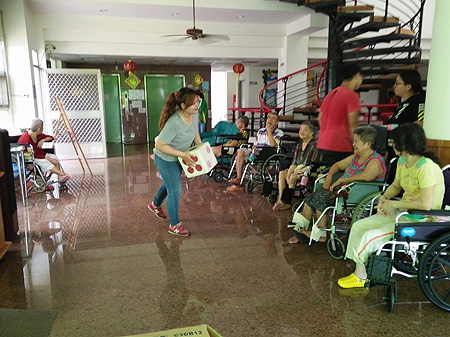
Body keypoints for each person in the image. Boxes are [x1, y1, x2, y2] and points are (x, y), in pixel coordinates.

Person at [337, 123, 444, 289]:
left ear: (404, 144)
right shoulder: (402, 161)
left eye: (394, 142)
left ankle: (360, 276)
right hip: (403, 213)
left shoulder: (426, 167)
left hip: (421, 219)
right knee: (358, 226)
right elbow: (396, 185)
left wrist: (393, 203)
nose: (392, 145)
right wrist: (384, 198)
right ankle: (359, 267)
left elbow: (426, 204)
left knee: (370, 235)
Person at [290, 126, 386, 244]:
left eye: (356, 141)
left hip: (354, 192)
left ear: (368, 144)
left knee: (320, 199)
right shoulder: (356, 157)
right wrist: (329, 177)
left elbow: (367, 177)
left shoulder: (375, 160)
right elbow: (337, 166)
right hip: (341, 189)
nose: (353, 144)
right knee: (310, 198)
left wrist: (341, 181)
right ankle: (301, 231)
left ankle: (321, 234)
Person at [147, 88, 201, 237]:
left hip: (178, 157)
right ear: (183, 105)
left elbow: (195, 132)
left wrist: (200, 148)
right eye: (194, 103)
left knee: (170, 183)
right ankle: (174, 225)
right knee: (175, 189)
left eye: (198, 102)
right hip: (165, 158)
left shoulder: (193, 116)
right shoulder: (175, 122)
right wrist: (182, 154)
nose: (197, 106)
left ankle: (155, 205)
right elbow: (159, 145)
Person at [318, 63, 363, 167]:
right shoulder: (351, 96)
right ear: (357, 76)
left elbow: (320, 118)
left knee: (330, 174)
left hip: (323, 143)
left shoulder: (331, 94)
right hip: (341, 145)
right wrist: (358, 144)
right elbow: (353, 124)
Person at [227, 112, 284, 192]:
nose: (270, 120)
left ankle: (239, 183)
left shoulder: (279, 132)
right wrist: (253, 148)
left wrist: (269, 131)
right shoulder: (261, 131)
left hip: (267, 154)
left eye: (273, 118)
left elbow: (273, 144)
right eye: (269, 118)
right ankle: (238, 178)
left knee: (244, 155)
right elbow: (255, 144)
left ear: (277, 122)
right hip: (255, 152)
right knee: (240, 152)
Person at [273, 121, 320, 211]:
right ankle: (280, 200)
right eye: (300, 130)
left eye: (305, 130)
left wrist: (298, 172)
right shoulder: (299, 145)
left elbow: (314, 164)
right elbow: (294, 162)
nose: (301, 132)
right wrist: (288, 174)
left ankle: (287, 202)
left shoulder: (315, 145)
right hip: (297, 169)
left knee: (292, 177)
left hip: (310, 171)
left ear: (312, 133)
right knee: (282, 173)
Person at [386, 69, 426, 158]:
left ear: (408, 86)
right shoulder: (402, 104)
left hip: (405, 152)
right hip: (393, 149)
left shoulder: (418, 101)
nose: (394, 86)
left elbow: (418, 124)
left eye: (397, 83)